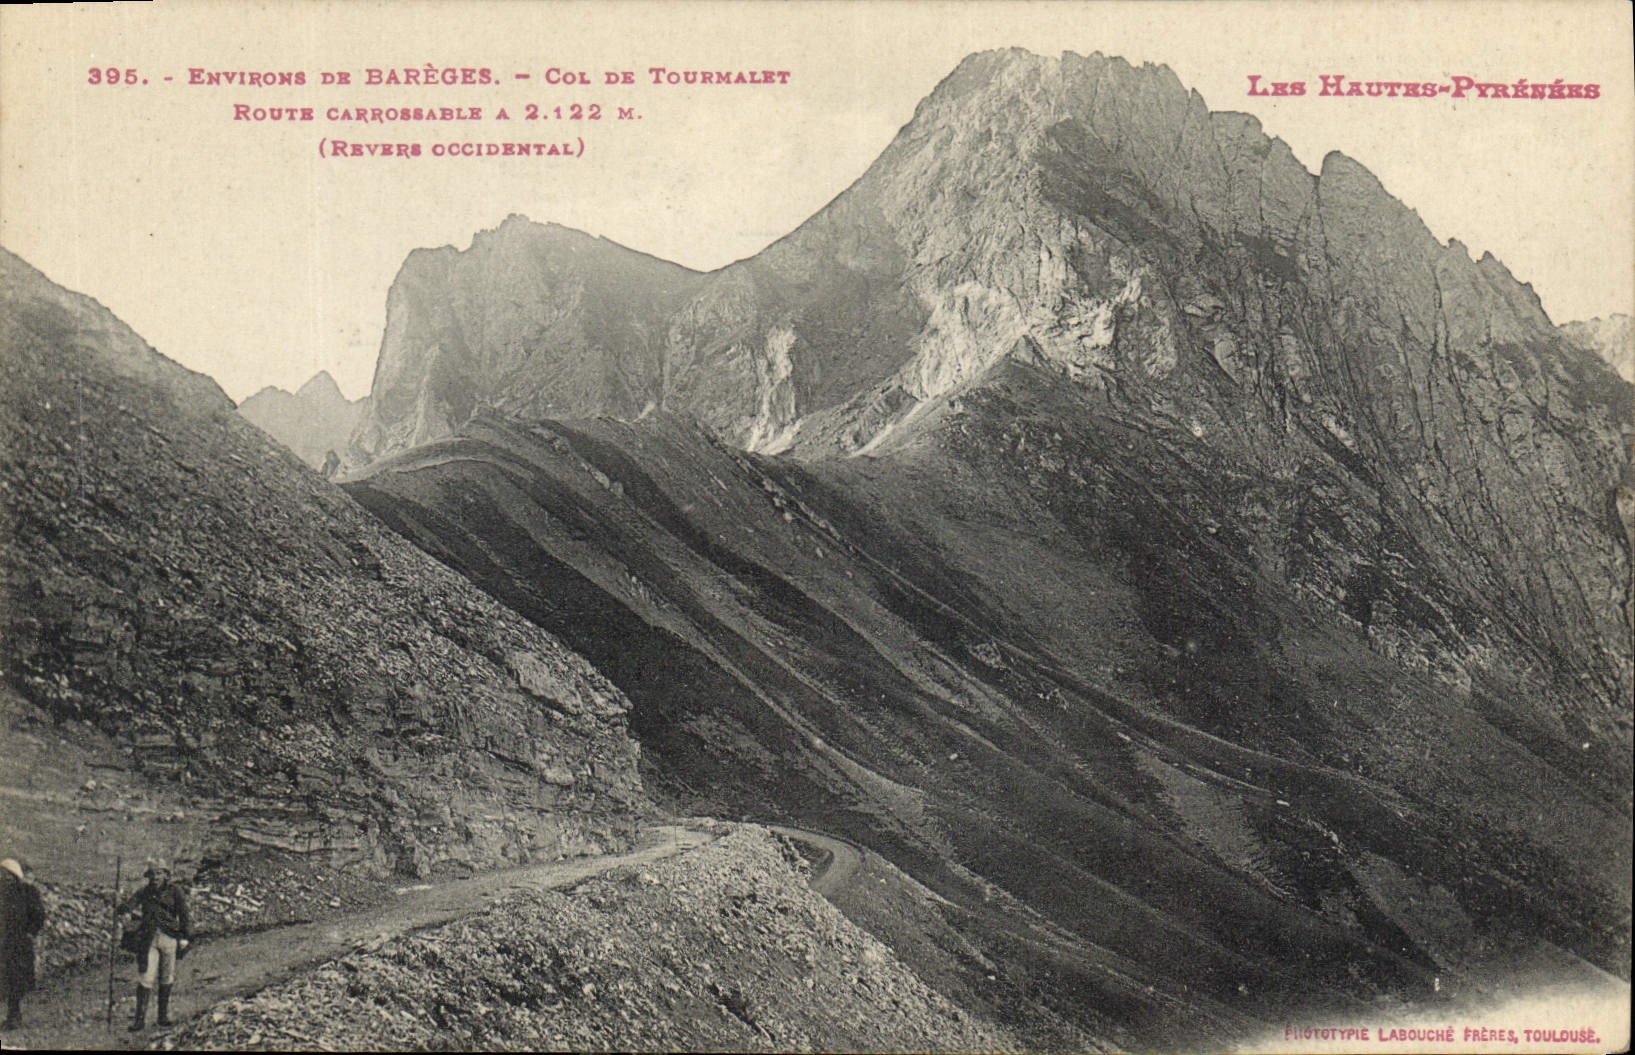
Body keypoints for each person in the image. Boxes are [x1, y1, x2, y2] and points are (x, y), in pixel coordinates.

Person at [118, 859, 192, 1032]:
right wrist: (121, 906)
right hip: (149, 939)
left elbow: (184, 915)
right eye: (152, 874)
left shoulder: (175, 892)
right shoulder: (144, 892)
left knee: (167, 977)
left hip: (170, 938)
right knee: (146, 977)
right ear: (148, 876)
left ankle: (162, 1017)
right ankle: (139, 1020)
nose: (155, 877)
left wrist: (185, 936)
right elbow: (129, 905)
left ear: (166, 875)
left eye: (159, 873)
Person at [0, 858, 45, 1031]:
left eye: (6, 875)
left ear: (14, 876)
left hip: (18, 944)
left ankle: (14, 1015)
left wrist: (29, 932)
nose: (3, 878)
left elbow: (38, 915)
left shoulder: (27, 892)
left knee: (15, 980)